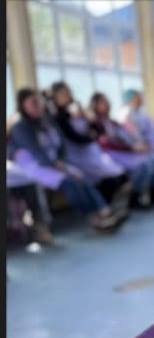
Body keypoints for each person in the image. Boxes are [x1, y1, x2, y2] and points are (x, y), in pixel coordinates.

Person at [9, 88, 124, 231]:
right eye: (33, 103)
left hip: (56, 161)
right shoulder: (20, 127)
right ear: (23, 105)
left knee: (82, 178)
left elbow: (60, 143)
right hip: (38, 166)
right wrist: (54, 163)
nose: (38, 105)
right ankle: (94, 218)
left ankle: (104, 211)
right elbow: (35, 151)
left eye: (39, 102)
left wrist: (61, 160)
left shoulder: (47, 120)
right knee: (71, 183)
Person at [49, 81, 131, 212]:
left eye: (68, 92)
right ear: (55, 96)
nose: (68, 95)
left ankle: (106, 208)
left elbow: (97, 130)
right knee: (102, 178)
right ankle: (102, 209)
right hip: (75, 157)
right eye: (64, 93)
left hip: (90, 154)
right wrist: (90, 136)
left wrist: (88, 120)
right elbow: (76, 137)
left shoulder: (76, 112)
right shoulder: (58, 117)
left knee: (119, 175)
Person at [90, 92, 154, 208]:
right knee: (145, 164)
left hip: (126, 151)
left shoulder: (113, 122)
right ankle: (134, 198)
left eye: (106, 102)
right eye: (101, 102)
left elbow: (125, 138)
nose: (105, 105)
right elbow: (105, 143)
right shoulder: (95, 123)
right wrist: (131, 147)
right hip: (110, 154)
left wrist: (135, 146)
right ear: (94, 105)